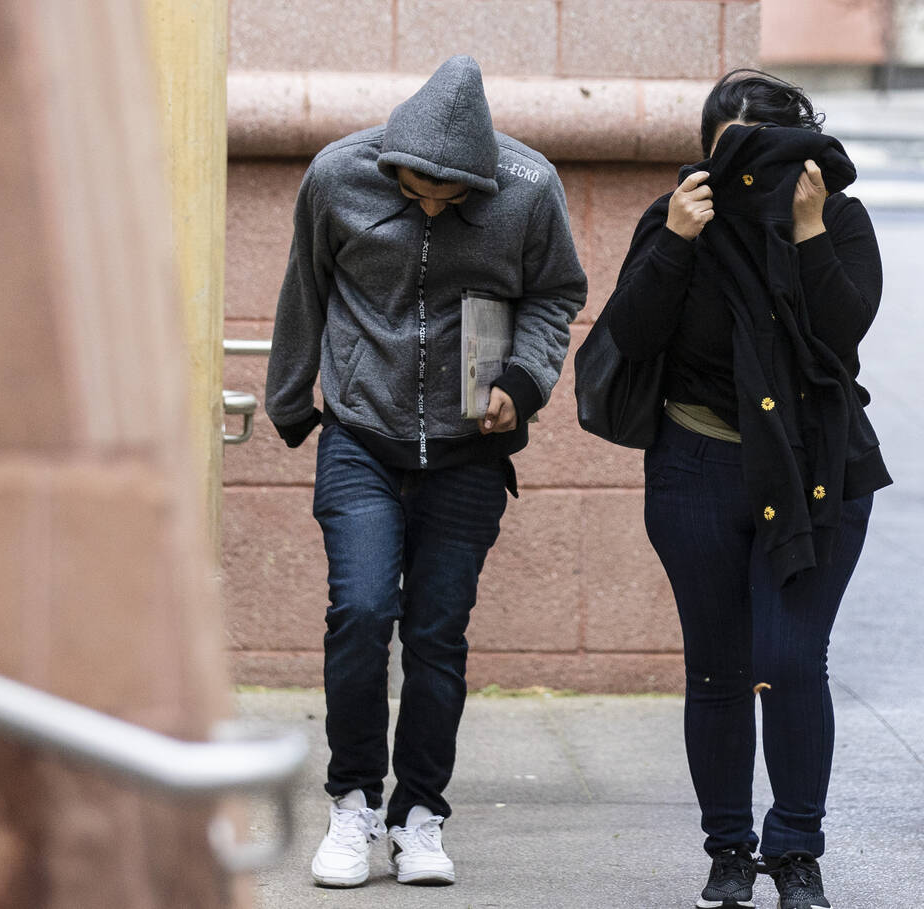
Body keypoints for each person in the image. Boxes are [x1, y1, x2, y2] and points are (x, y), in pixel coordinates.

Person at [265, 55, 586, 889]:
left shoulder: (528, 187)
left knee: (438, 634)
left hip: (467, 453)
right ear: (391, 161)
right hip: (361, 437)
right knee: (362, 611)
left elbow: (557, 293)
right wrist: (290, 398)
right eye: (416, 189)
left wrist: (524, 381)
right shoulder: (338, 174)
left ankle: (419, 815)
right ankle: (352, 801)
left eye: (451, 196)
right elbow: (305, 284)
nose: (432, 202)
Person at [602, 70, 891, 909]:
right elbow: (630, 332)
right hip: (697, 463)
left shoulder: (837, 216)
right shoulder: (678, 216)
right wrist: (676, 243)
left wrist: (805, 234)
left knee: (789, 659)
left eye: (765, 152)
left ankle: (796, 850)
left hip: (814, 468)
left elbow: (841, 339)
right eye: (731, 154)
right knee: (719, 669)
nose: (748, 174)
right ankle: (729, 850)